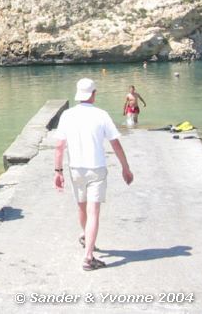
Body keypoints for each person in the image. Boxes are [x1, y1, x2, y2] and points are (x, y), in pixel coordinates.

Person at [54, 78, 134, 271]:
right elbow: (115, 144)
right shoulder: (101, 115)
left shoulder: (67, 115)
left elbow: (59, 146)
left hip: (75, 169)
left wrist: (58, 171)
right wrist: (125, 168)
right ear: (93, 94)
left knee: (82, 208)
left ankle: (85, 236)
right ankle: (88, 257)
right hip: (96, 168)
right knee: (93, 212)